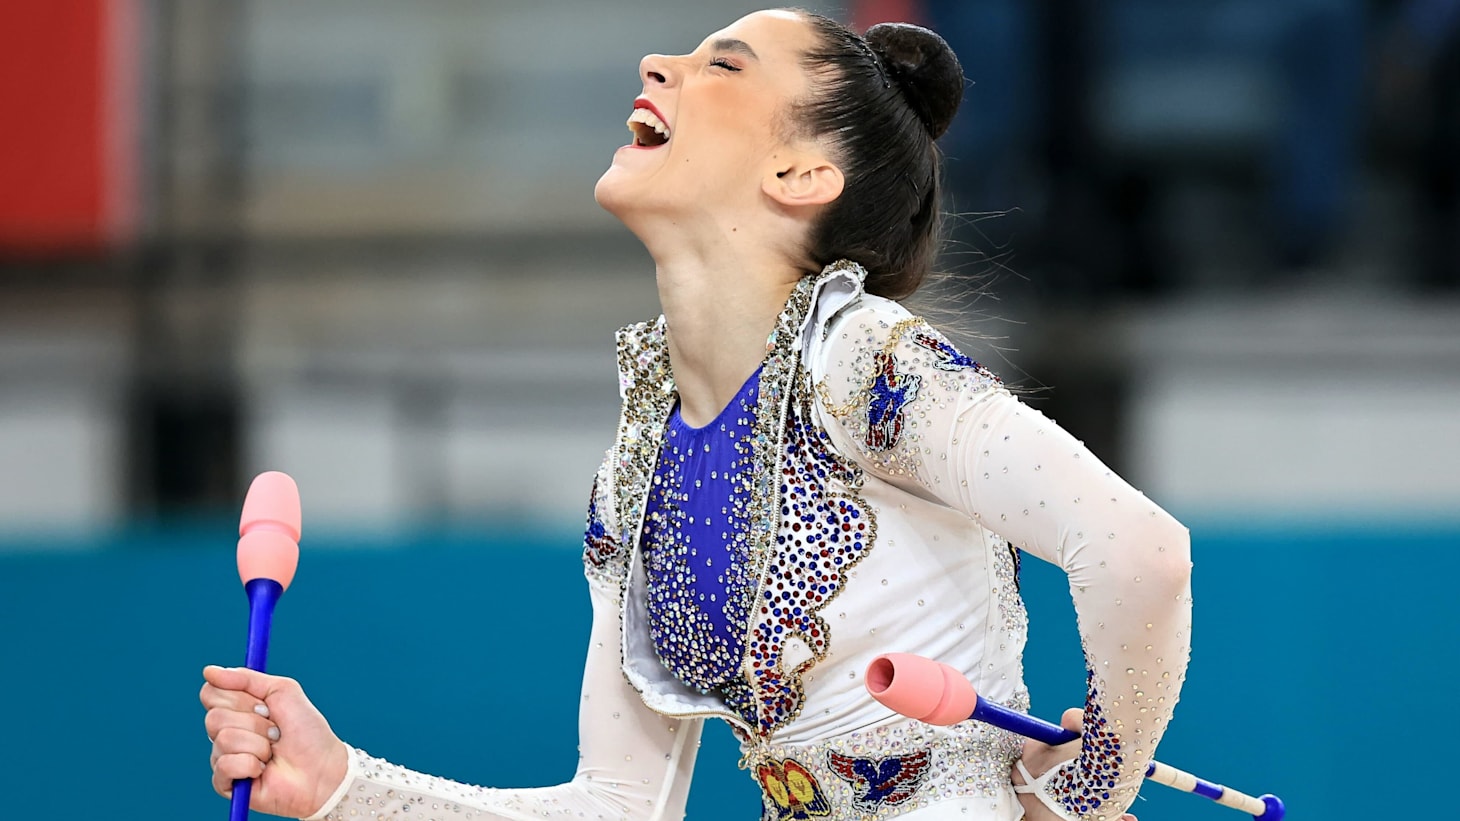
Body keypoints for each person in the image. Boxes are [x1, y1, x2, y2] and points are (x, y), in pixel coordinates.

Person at [201, 9, 1191, 820]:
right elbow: (617, 806)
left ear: (800, 175)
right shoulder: (641, 464)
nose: (657, 62)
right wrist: (340, 785)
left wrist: (1085, 791)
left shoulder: (861, 362)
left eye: (721, 62)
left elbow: (1135, 550)